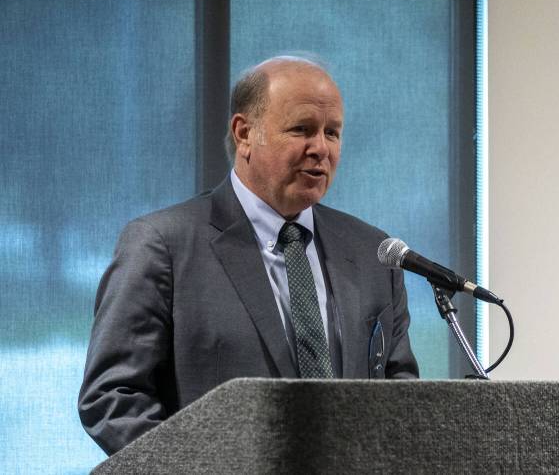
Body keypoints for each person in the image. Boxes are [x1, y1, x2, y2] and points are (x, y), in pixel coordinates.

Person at [78, 56, 418, 455]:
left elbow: (400, 397)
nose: (321, 149)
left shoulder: (373, 253)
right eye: (301, 130)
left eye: (333, 133)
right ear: (244, 134)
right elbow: (112, 396)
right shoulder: (161, 245)